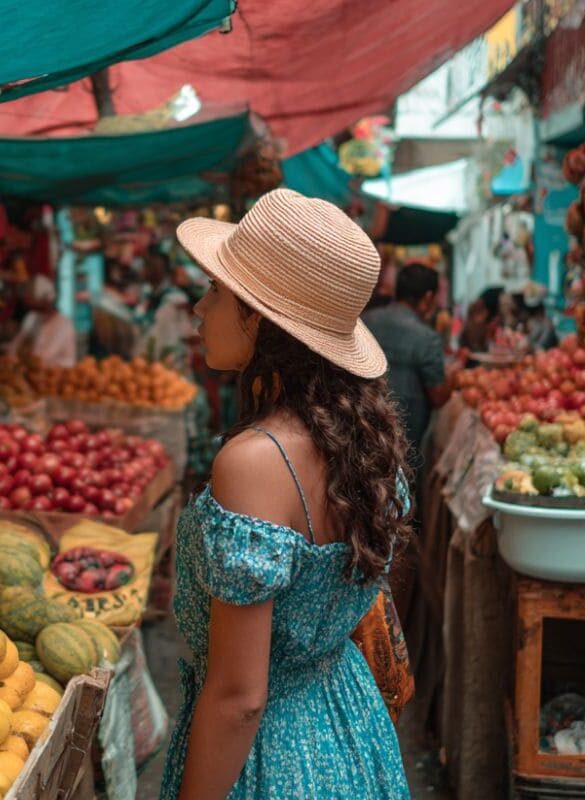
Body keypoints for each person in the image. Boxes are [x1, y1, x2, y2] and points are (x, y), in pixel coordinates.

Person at [161, 189, 412, 799]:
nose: (198, 307)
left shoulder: (252, 463)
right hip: (350, 727)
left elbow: (240, 699)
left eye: (217, 291)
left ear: (261, 317)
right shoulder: (366, 438)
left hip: (270, 758)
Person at [363, 262, 451, 466]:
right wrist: (452, 379)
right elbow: (438, 396)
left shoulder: (366, 321)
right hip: (403, 436)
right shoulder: (426, 337)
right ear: (428, 298)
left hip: (361, 424)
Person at [135, 248, 198, 367]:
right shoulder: (147, 295)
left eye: (148, 265)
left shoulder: (176, 298)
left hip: (171, 364)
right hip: (150, 363)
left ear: (160, 269)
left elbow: (181, 336)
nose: (143, 269)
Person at [8, 274, 77, 368]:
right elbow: (15, 347)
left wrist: (37, 363)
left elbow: (64, 360)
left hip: (54, 377)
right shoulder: (32, 318)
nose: (30, 307)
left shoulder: (65, 324)